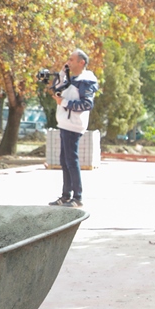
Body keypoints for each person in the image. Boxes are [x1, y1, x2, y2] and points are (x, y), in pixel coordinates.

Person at [48, 48, 97, 208]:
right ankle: (66, 195)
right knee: (65, 160)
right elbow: (56, 89)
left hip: (74, 125)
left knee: (71, 160)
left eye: (71, 60)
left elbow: (87, 104)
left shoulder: (86, 81)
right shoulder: (72, 78)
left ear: (81, 63)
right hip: (65, 123)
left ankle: (77, 197)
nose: (68, 62)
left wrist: (64, 102)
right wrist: (62, 73)